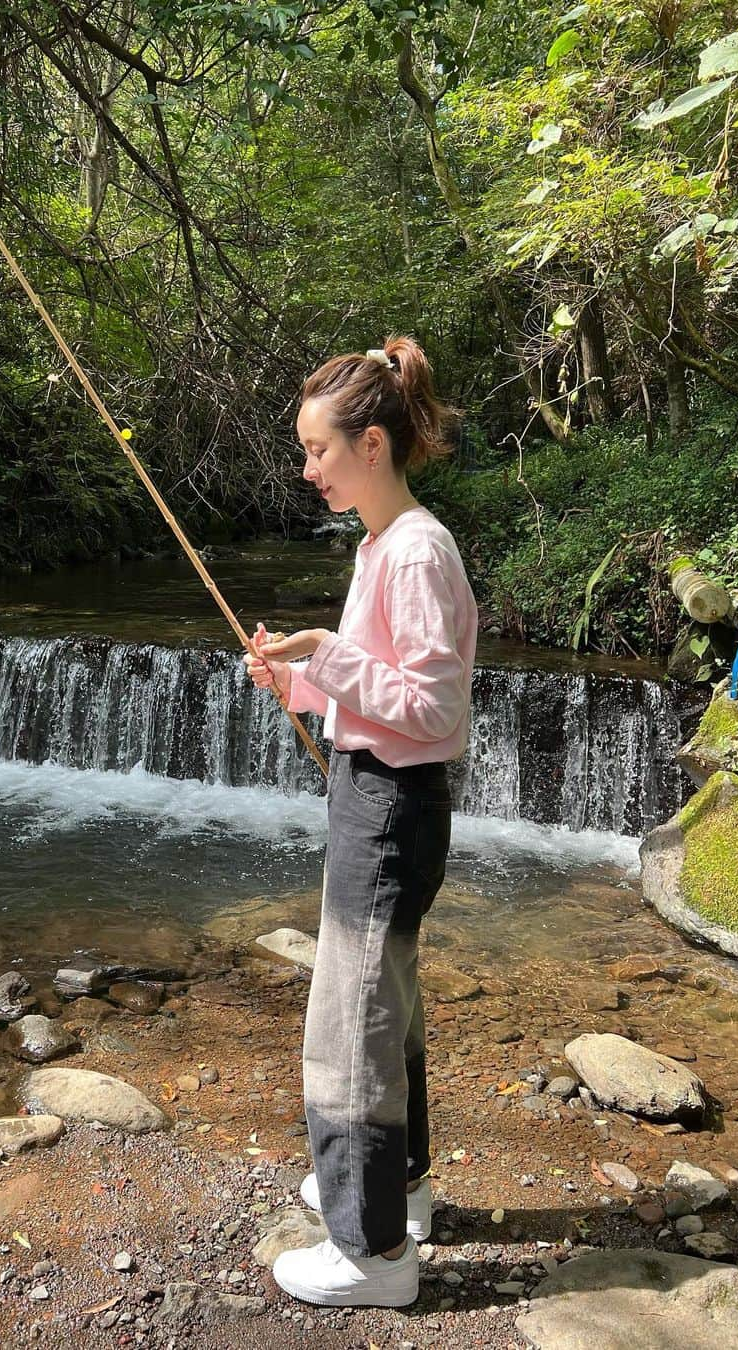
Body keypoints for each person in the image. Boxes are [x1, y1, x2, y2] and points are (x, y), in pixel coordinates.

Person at [243, 336, 478, 1308]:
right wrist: (298, 680)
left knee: (352, 1023)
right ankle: (403, 1192)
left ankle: (372, 1253)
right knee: (391, 1013)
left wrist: (328, 658)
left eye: (318, 450)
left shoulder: (417, 550)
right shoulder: (383, 544)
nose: (308, 470)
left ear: (371, 445)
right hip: (376, 797)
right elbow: (377, 692)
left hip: (391, 812)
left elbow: (436, 709)